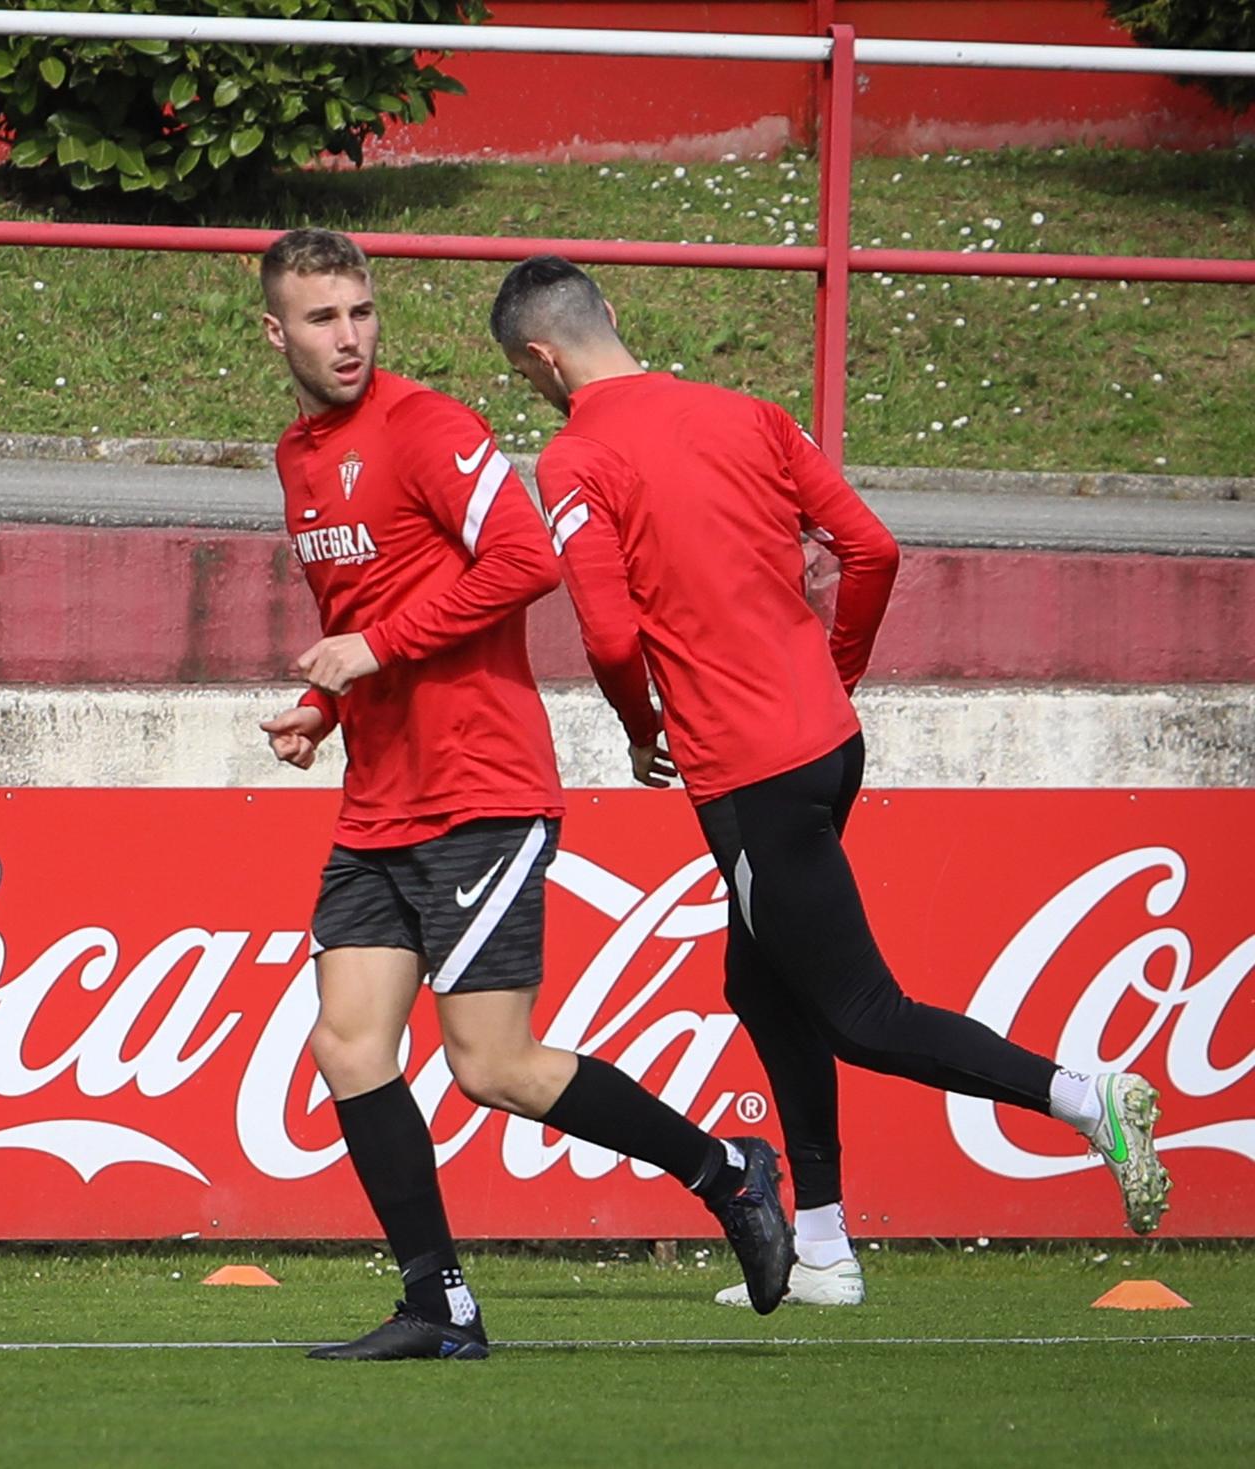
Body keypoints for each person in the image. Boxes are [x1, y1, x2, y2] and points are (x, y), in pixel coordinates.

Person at [488, 255, 1171, 1308]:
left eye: (524, 377)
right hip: (822, 741)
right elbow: (870, 546)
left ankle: (1084, 1100)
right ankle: (820, 1247)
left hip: (747, 767)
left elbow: (610, 634)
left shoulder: (575, 457)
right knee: (758, 984)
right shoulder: (751, 414)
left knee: (857, 1011)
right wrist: (833, 666)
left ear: (539, 358)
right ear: (610, 315)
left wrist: (637, 728)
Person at [257, 229, 794, 1362]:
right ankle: (437, 1303)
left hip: (480, 788)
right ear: (276, 332)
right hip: (379, 797)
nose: (347, 336)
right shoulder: (296, 457)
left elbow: (522, 561)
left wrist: (370, 652)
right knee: (347, 1047)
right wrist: (327, 706)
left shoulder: (428, 426)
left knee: (489, 1063)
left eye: (359, 311)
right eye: (320, 318)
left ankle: (724, 1167)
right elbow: (369, 613)